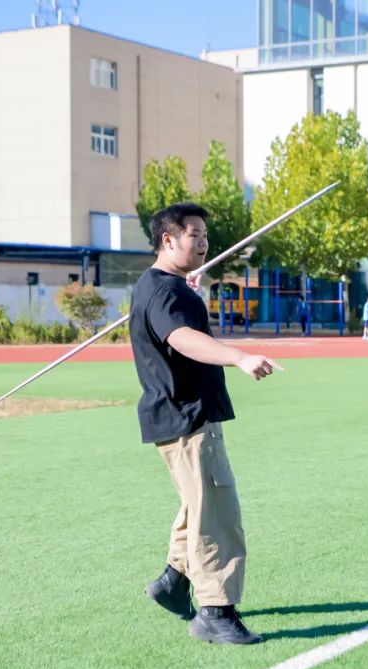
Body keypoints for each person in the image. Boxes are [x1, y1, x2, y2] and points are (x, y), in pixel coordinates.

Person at [132, 202, 281, 645]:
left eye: (204, 235)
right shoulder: (165, 292)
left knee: (198, 505)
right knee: (216, 513)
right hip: (188, 417)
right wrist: (239, 356)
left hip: (180, 416)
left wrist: (189, 293)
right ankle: (215, 611)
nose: (203, 242)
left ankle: (174, 583)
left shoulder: (163, 286)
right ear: (169, 240)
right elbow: (181, 337)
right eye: (194, 234)